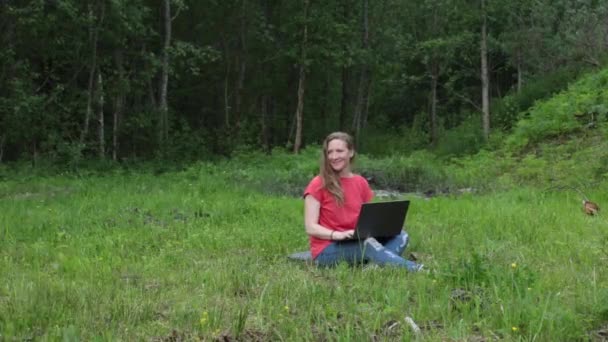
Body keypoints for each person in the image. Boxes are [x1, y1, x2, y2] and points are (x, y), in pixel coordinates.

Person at [303, 132, 423, 271]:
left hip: (357, 240)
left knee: (401, 235)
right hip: (328, 249)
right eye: (330, 152)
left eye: (339, 151)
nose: (334, 157)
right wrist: (337, 234)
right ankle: (417, 270)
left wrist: (386, 226)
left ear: (351, 152)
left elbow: (369, 219)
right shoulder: (318, 184)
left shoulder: (360, 182)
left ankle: (374, 266)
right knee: (369, 245)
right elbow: (310, 227)